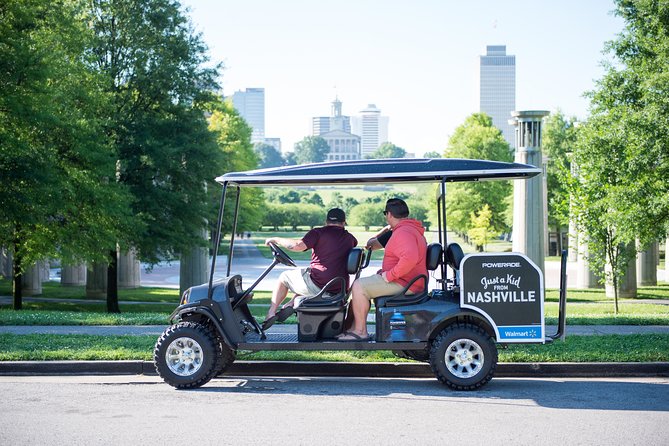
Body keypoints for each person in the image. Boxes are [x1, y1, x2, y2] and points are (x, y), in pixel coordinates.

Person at [337, 198, 427, 341]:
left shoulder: (404, 232)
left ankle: (360, 331)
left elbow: (410, 258)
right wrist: (385, 273)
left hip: (406, 283)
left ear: (389, 214)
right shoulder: (408, 229)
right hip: (408, 280)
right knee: (363, 284)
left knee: (359, 286)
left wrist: (389, 275)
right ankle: (354, 328)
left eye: (385, 214)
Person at [262, 208, 357, 330]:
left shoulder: (318, 233)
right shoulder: (351, 239)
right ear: (344, 222)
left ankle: (271, 312)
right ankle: (291, 303)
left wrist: (276, 239)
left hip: (319, 285)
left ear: (326, 221)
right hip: (339, 288)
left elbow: (297, 246)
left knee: (284, 277)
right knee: (304, 276)